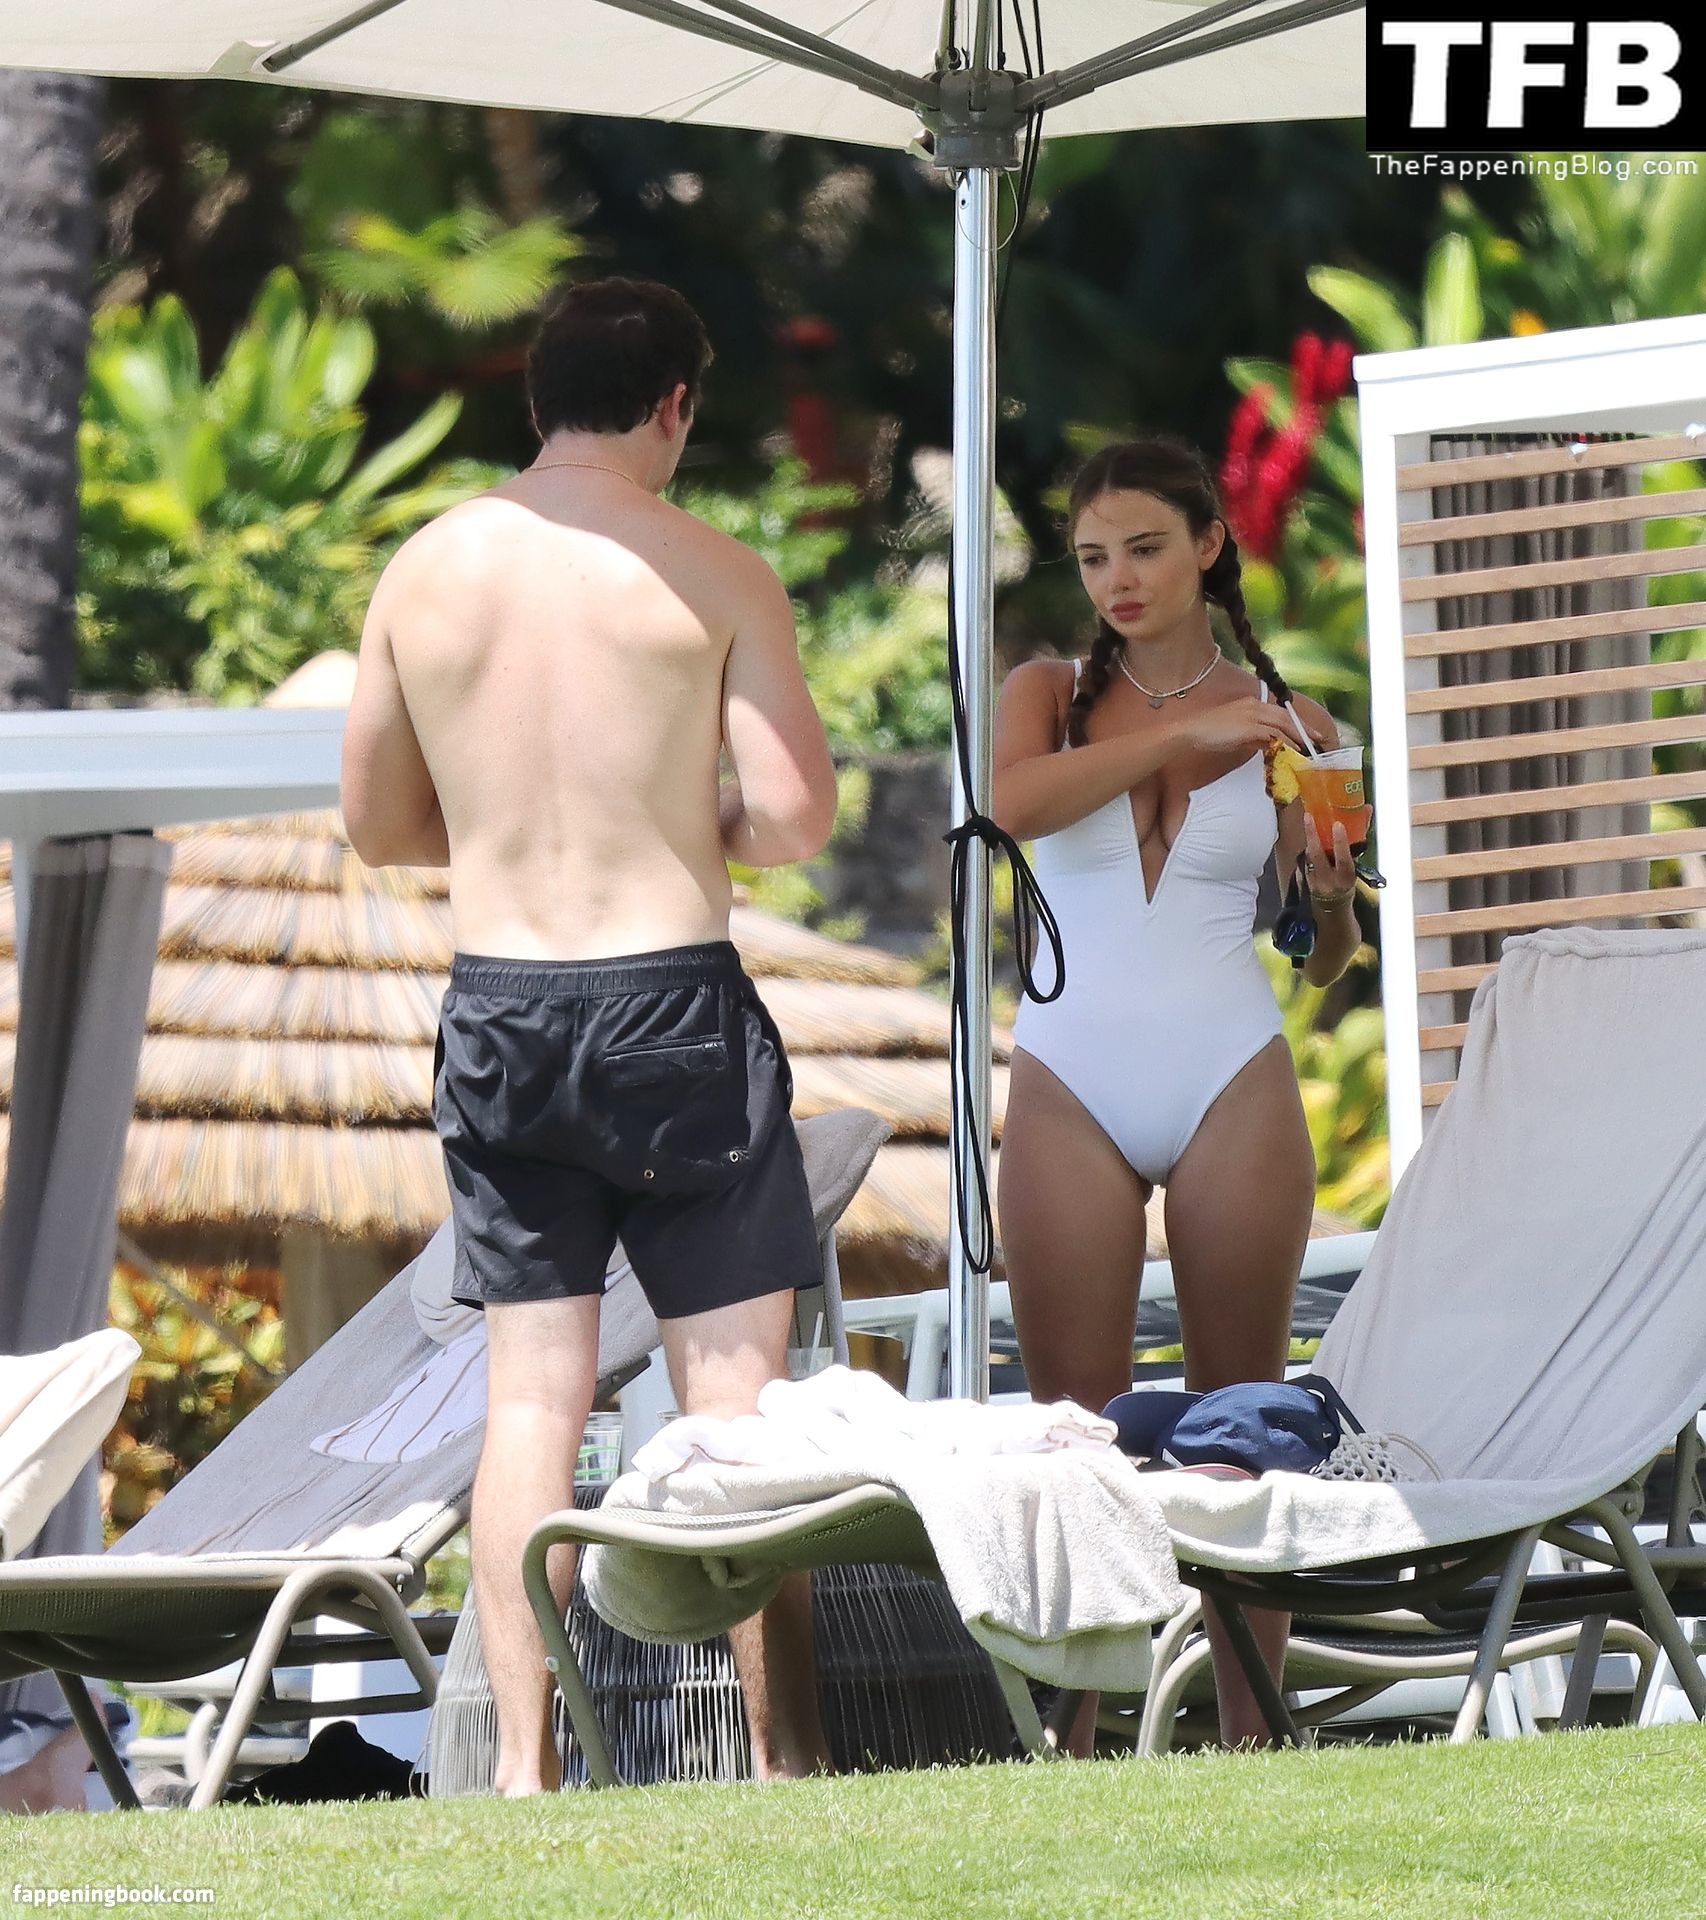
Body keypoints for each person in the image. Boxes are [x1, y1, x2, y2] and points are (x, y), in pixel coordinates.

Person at [340, 276, 840, 1795]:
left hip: (501, 1004)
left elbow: (379, 826)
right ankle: (778, 1756)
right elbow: (796, 819)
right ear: (674, 405)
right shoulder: (713, 571)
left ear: (536, 398)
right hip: (671, 1000)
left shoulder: (424, 569)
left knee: (531, 1402)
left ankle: (522, 1767)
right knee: (734, 1401)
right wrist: (679, 814)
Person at [990, 435, 1362, 1750]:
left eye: (1145, 547)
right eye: (1094, 557)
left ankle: (1252, 1728)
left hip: (1227, 1068)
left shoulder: (1295, 725)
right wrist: (1189, 732)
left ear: (1208, 543)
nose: (1119, 579)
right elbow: (1011, 805)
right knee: (1073, 1428)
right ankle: (1077, 1732)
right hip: (1070, 1075)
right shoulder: (1045, 692)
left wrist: (1329, 896)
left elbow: (1327, 958)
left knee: (1240, 1417)